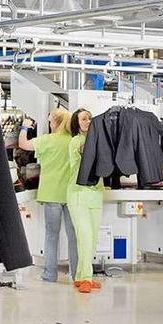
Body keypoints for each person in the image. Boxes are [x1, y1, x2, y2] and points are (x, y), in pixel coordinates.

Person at [19, 109, 77, 283]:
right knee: (73, 236)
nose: (50, 124)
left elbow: (23, 144)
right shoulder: (74, 141)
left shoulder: (47, 140)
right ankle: (76, 274)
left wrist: (25, 126)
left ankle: (50, 274)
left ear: (57, 123)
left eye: (51, 121)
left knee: (52, 235)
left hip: (51, 194)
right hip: (71, 195)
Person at [66, 109, 105, 293]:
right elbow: (87, 152)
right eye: (84, 119)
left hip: (96, 194)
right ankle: (87, 278)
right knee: (85, 237)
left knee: (93, 239)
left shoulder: (98, 141)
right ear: (77, 123)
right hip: (78, 195)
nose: (88, 121)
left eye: (90, 118)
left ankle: (81, 276)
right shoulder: (76, 142)